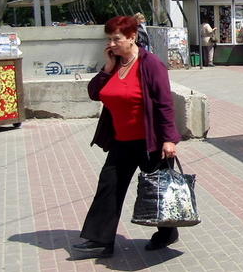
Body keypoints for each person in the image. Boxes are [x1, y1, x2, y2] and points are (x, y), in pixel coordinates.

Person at [73, 15, 182, 257]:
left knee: (158, 191)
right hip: (121, 141)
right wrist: (107, 67)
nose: (111, 44)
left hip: (150, 142)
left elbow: (165, 104)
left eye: (116, 39)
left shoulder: (151, 64)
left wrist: (168, 139)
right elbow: (94, 93)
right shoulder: (115, 65)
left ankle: (167, 233)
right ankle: (100, 240)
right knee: (108, 186)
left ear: (132, 37)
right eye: (109, 39)